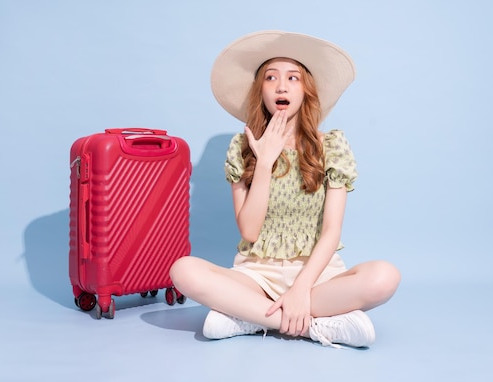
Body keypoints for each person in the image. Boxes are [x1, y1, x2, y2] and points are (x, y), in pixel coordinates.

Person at [169, 30, 401, 348]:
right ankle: (311, 326)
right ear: (260, 90)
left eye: (293, 78)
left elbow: (332, 232)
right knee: (183, 270)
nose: (282, 86)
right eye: (271, 77)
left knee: (384, 276)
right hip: (256, 277)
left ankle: (247, 318)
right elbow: (249, 231)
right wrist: (264, 162)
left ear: (306, 90)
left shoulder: (331, 145)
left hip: (318, 276)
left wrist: (300, 289)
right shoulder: (241, 147)